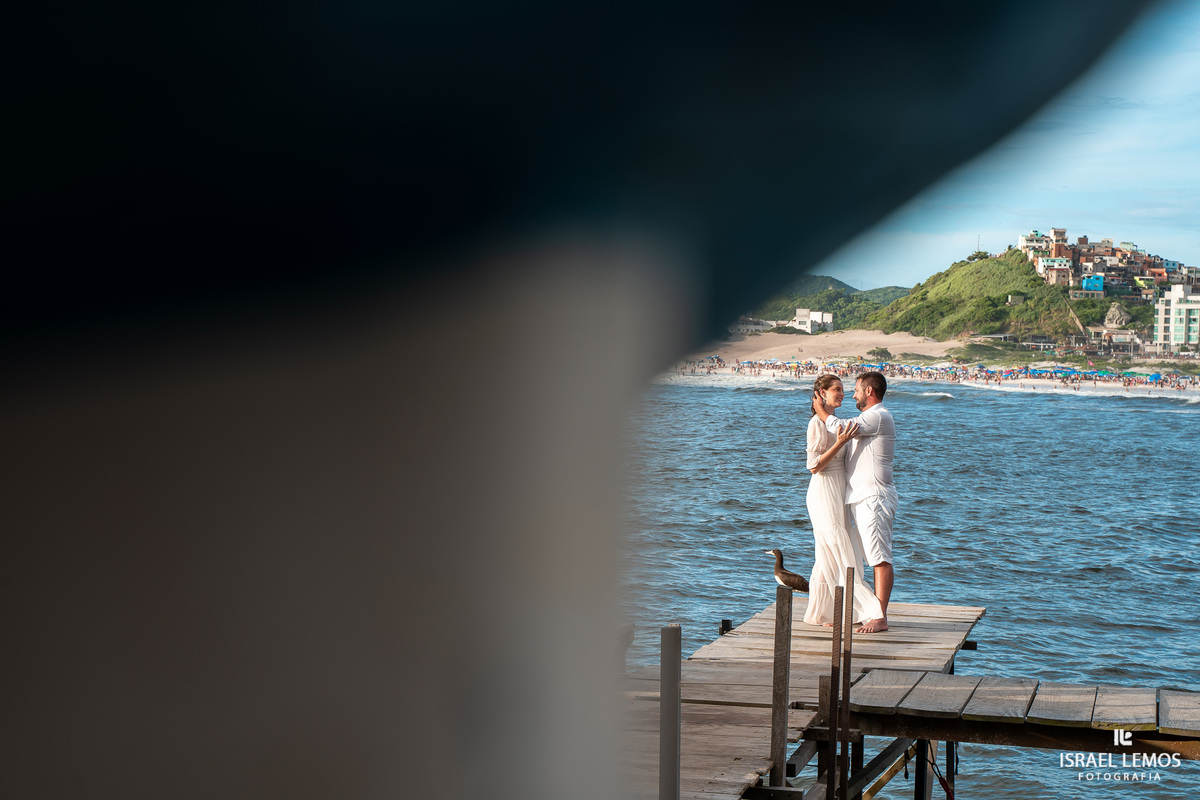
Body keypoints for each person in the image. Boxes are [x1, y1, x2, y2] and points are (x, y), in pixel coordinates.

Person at [802, 375, 885, 628]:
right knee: (836, 546)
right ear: (822, 394)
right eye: (836, 390)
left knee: (831, 550)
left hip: (840, 489)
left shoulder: (839, 423)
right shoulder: (817, 423)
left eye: (843, 389)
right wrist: (840, 443)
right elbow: (813, 466)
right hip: (824, 488)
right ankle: (867, 609)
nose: (841, 393)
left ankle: (824, 614)